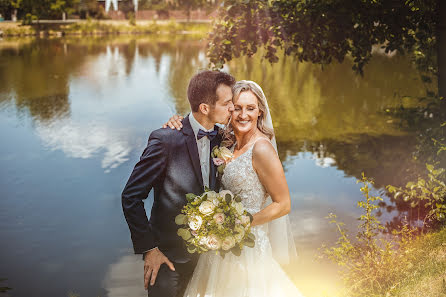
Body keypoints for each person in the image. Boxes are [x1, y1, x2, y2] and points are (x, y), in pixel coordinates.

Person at [165, 80, 304, 296]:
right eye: (237, 108)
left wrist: (243, 223)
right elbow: (198, 126)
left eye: (250, 108)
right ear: (229, 110)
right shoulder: (226, 143)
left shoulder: (262, 148)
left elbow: (283, 204)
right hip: (218, 246)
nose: (243, 115)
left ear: (260, 112)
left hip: (249, 248)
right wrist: (177, 122)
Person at [121, 70, 236, 297]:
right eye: (227, 103)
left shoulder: (224, 138)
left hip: (211, 257)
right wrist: (150, 249)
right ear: (205, 108)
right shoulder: (166, 140)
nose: (232, 108)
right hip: (168, 257)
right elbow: (131, 197)